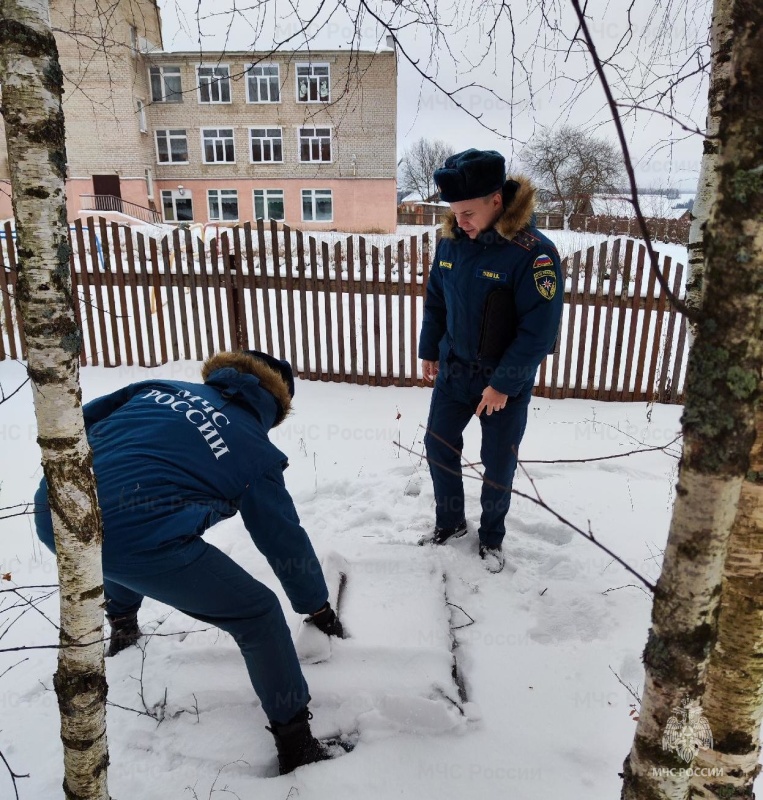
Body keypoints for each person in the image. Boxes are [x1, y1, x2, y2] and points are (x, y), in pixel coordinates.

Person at [34, 350, 343, 774]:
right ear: (276, 406)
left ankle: (123, 625)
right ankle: (296, 743)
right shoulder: (254, 452)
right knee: (258, 613)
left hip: (56, 511)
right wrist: (317, 606)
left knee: (116, 539)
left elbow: (76, 424)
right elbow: (284, 541)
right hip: (130, 534)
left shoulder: (162, 388)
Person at [418, 149, 564, 573]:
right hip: (454, 371)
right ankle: (450, 524)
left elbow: (539, 331)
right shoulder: (451, 244)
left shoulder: (532, 253)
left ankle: (492, 538)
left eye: (467, 213)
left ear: (496, 201)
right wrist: (430, 348)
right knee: (438, 446)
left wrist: (503, 384)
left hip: (502, 383)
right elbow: (436, 301)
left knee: (498, 462)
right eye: (454, 212)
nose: (458, 221)